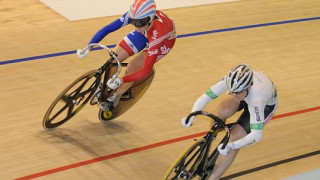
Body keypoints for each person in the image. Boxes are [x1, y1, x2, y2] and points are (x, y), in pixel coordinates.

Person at [181, 64, 278, 180]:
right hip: (247, 93)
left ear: (248, 87)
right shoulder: (231, 81)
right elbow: (205, 97)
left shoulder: (257, 99)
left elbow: (256, 136)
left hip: (265, 106)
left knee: (235, 137)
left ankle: (212, 178)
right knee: (222, 110)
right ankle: (212, 136)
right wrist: (192, 115)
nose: (234, 96)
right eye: (232, 91)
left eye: (237, 93)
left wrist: (232, 146)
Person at [77, 0, 176, 111]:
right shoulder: (135, 16)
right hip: (144, 33)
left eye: (139, 23)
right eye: (134, 22)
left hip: (162, 42)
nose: (136, 26)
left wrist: (121, 80)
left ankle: (117, 95)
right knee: (114, 58)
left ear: (149, 19)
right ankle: (104, 87)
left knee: (133, 67)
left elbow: (146, 70)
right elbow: (108, 28)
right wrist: (89, 46)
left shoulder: (160, 32)